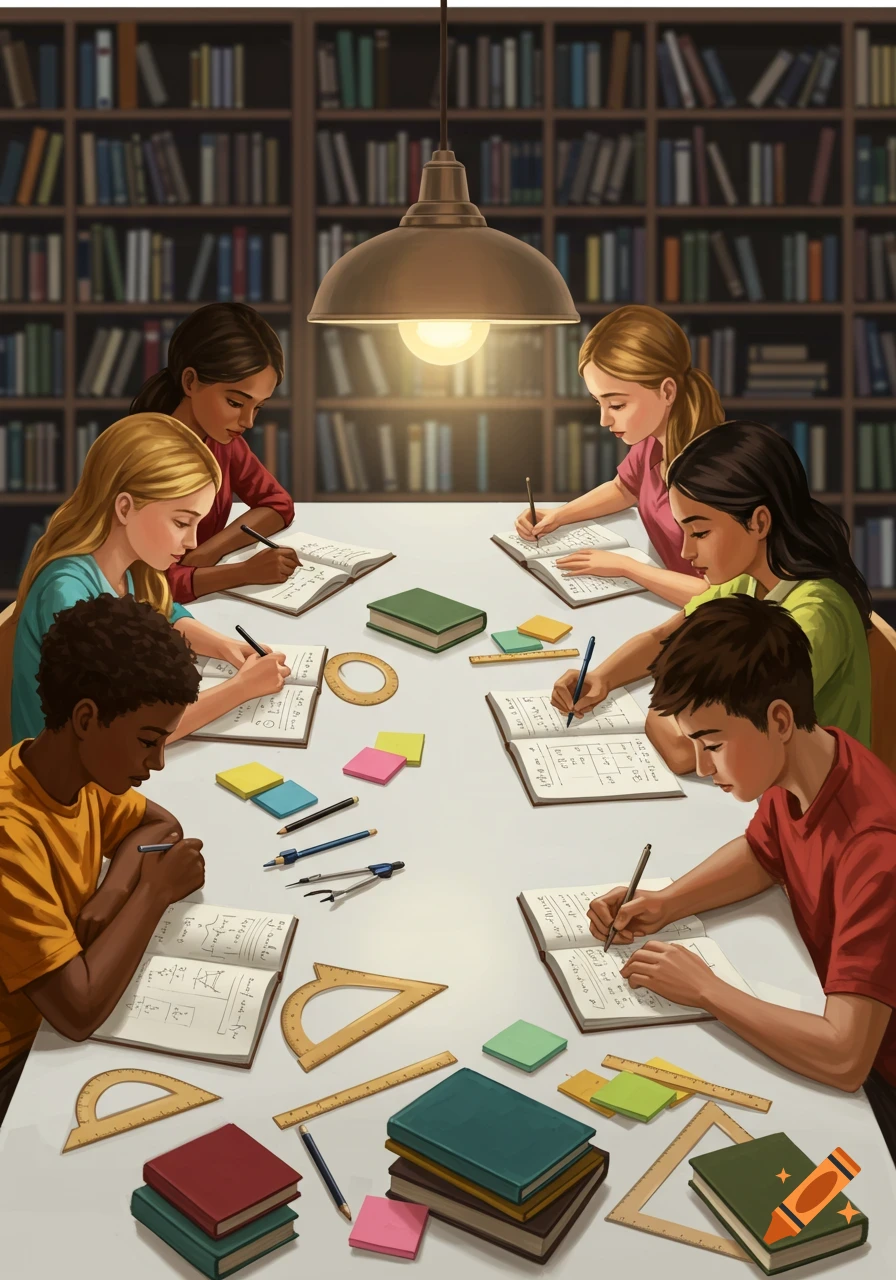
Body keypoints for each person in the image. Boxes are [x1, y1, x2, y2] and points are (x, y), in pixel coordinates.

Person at [586, 595, 896, 1166]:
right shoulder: (809, 759)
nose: (703, 768)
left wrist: (707, 990)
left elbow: (846, 1056)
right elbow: (763, 853)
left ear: (777, 719)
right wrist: (665, 901)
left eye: (713, 744)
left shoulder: (874, 848)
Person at [551, 420, 872, 772]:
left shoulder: (816, 614)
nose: (686, 552)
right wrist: (603, 678)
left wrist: (662, 710)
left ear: (759, 522)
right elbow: (664, 639)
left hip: (814, 804)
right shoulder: (744, 583)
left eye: (700, 532)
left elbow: (689, 750)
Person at [0, 594, 207, 1128]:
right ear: (87, 718)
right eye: (147, 741)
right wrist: (153, 892)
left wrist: (113, 891)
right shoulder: (9, 834)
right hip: (17, 1061)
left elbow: (159, 826)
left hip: (51, 1027)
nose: (158, 763)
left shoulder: (72, 773)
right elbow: (79, 1011)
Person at [11, 413, 289, 745]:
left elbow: (164, 614)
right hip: (68, 783)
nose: (193, 543)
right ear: (125, 508)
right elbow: (128, 732)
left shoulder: (128, 565)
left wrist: (224, 646)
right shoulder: (67, 595)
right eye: (182, 522)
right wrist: (242, 688)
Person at [514, 305, 725, 607]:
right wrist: (559, 515)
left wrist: (627, 567)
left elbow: (721, 594)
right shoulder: (652, 444)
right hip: (665, 601)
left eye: (617, 405)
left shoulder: (717, 474)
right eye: (598, 402)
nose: (604, 420)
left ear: (667, 392)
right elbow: (623, 488)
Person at [130, 301, 299, 604]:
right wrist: (243, 572)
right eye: (235, 403)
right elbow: (148, 584)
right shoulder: (143, 459)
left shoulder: (224, 444)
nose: (248, 422)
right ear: (191, 381)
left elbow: (278, 504)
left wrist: (208, 552)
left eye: (258, 407)